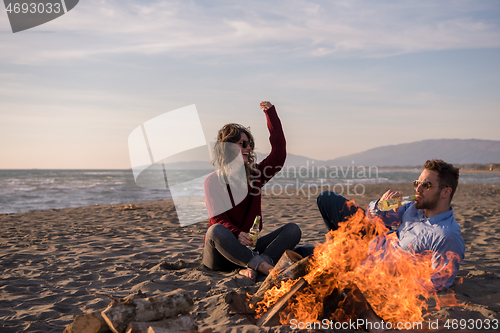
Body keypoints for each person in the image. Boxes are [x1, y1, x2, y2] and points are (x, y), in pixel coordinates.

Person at [316, 159, 465, 291]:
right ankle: (337, 248)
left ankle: (333, 252)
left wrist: (391, 281)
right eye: (417, 183)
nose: (417, 189)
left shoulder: (446, 236)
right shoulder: (414, 207)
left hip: (376, 265)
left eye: (425, 185)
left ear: (445, 192)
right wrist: (381, 206)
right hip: (375, 241)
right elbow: (376, 218)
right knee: (327, 199)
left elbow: (439, 282)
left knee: (310, 256)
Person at [203, 101, 301, 280]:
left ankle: (256, 263)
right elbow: (218, 219)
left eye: (250, 144)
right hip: (221, 253)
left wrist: (270, 114)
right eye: (243, 144)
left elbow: (279, 154)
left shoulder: (255, 174)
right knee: (215, 230)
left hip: (249, 249)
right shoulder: (212, 181)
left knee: (293, 230)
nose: (249, 147)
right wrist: (236, 234)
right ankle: (263, 266)